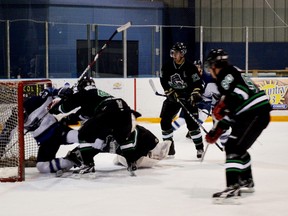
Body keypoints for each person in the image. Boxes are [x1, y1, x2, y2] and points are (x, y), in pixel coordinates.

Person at [50, 77, 171, 174]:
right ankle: (131, 161)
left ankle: (88, 164)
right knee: (123, 137)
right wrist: (68, 119)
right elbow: (82, 115)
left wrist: (59, 104)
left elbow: (65, 107)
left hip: (108, 114)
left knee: (84, 133)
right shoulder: (98, 96)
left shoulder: (85, 92)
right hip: (125, 112)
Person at [204, 48, 272, 203]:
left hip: (254, 113)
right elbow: (234, 108)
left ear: (215, 65)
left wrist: (225, 106)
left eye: (210, 66)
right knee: (237, 147)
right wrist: (219, 129)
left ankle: (233, 186)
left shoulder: (224, 76)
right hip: (251, 114)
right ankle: (246, 181)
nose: (210, 71)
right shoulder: (233, 71)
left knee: (233, 147)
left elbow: (240, 94)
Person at [159, 42, 204, 158]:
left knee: (192, 125)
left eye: (176, 52)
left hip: (188, 98)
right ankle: (169, 149)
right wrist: (169, 91)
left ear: (182, 54)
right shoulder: (167, 66)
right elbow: (163, 80)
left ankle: (200, 149)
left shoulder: (190, 67)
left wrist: (195, 94)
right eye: (173, 52)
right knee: (164, 121)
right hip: (174, 97)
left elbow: (198, 83)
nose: (174, 54)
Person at [171, 60, 229, 147]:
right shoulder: (188, 77)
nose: (196, 69)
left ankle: (194, 131)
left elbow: (209, 95)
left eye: (198, 67)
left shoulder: (208, 78)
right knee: (181, 120)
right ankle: (168, 132)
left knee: (203, 117)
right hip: (191, 101)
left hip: (205, 102)